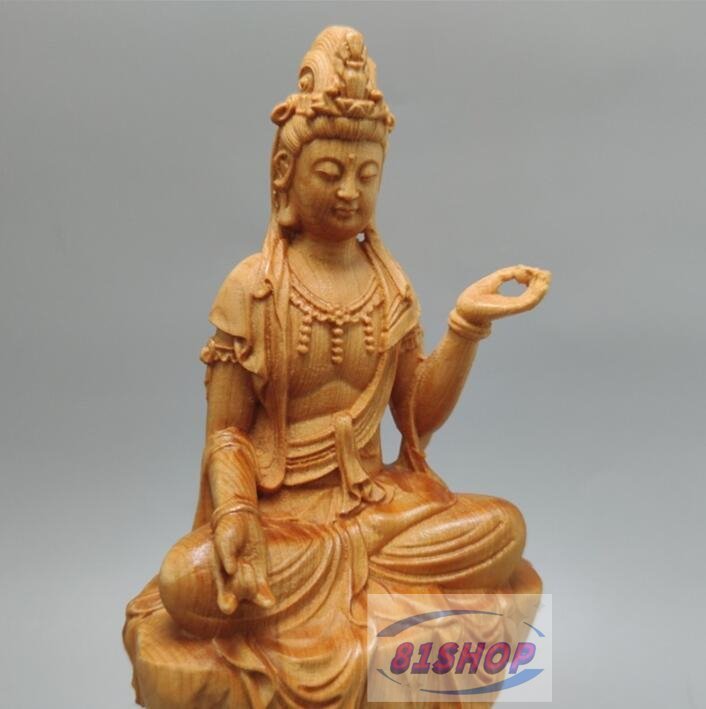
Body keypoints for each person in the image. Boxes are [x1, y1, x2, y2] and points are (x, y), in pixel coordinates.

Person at [124, 26, 551, 708]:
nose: (350, 190)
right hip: (281, 526)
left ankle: (361, 574)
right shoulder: (254, 288)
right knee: (186, 580)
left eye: (367, 174)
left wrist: (466, 326)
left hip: (377, 508)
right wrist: (236, 514)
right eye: (329, 173)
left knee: (503, 526)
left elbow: (417, 417)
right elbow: (227, 433)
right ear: (285, 177)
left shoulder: (391, 287)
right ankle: (351, 586)